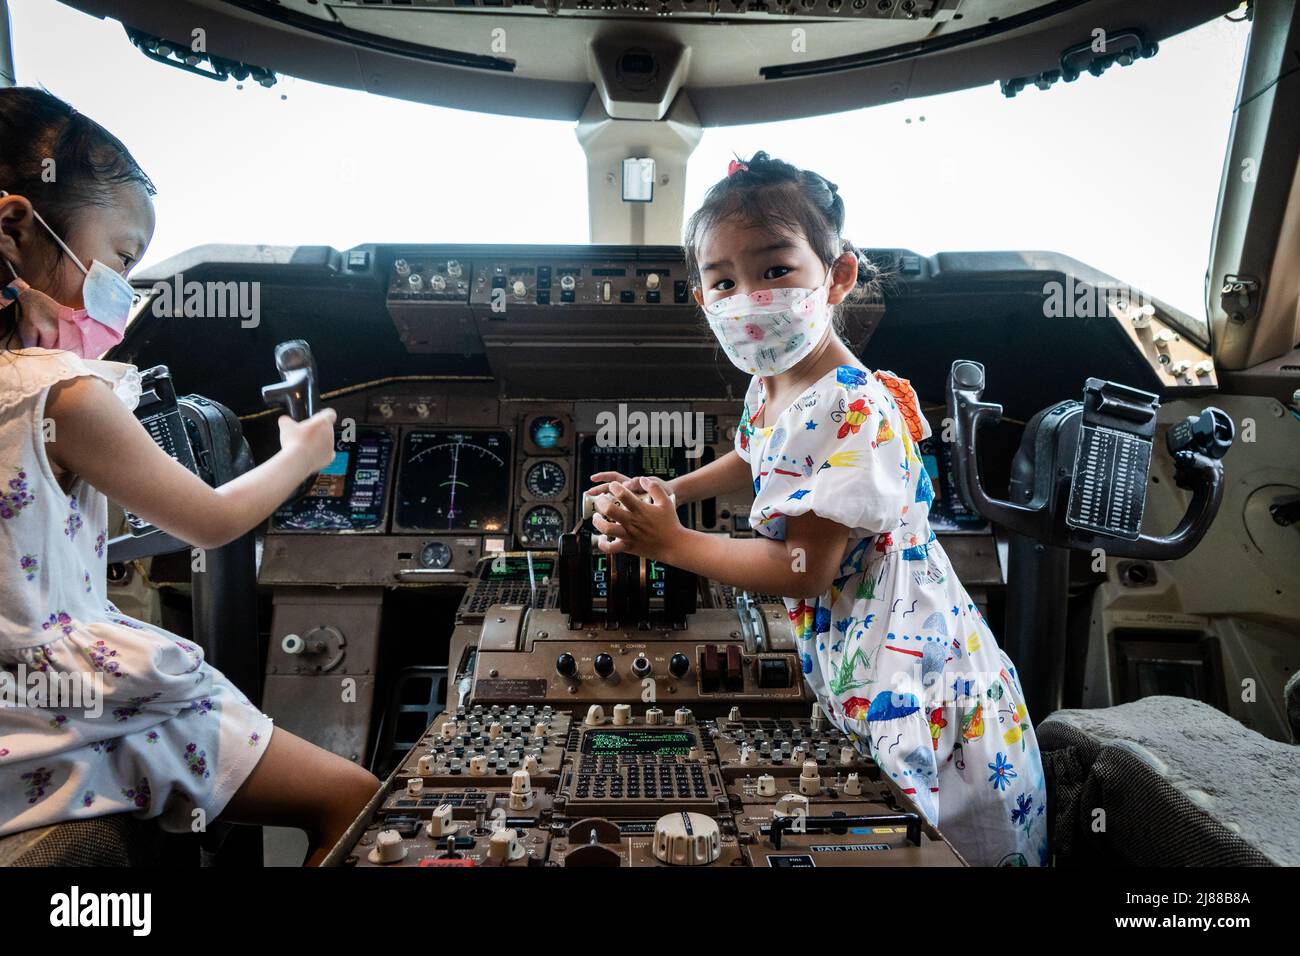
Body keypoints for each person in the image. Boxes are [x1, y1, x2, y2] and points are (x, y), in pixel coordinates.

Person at [587, 151, 1048, 866]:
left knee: (931, 849)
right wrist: (673, 492)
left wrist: (668, 542)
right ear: (704, 297)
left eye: (776, 271)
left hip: (916, 680)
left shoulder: (849, 403)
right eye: (724, 281)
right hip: (868, 657)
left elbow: (802, 568)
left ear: (837, 276)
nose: (750, 297)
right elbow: (754, 457)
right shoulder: (774, 382)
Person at [0, 88, 377, 865]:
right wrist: (301, 453)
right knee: (353, 800)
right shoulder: (65, 395)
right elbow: (209, 520)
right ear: (14, 226)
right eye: (123, 257)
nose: (125, 291)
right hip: (53, 717)